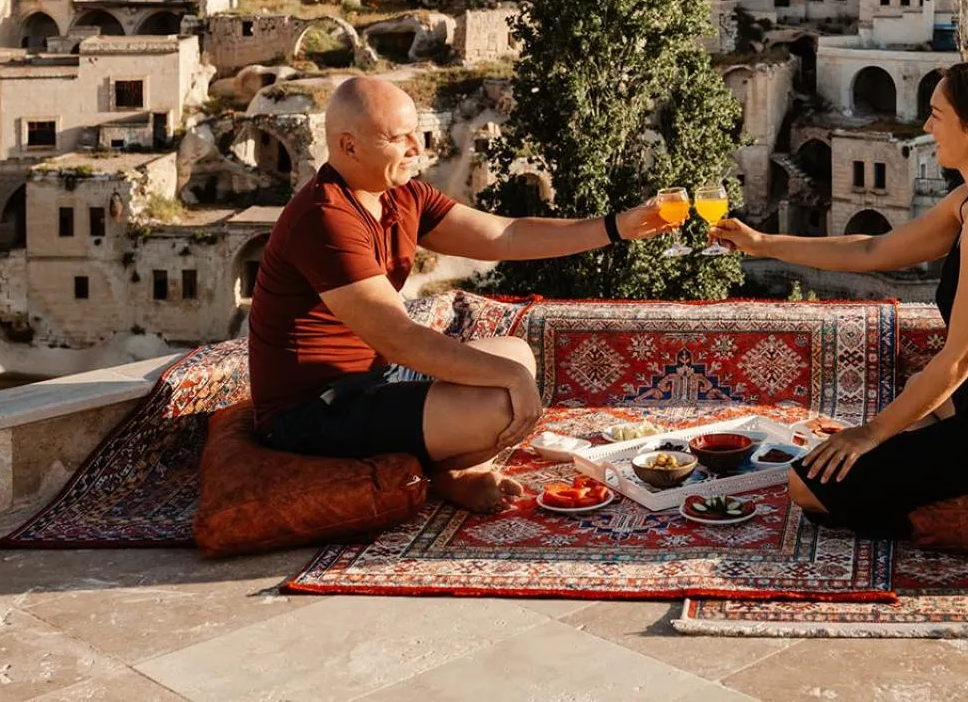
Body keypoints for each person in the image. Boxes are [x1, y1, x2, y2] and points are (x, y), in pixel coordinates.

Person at [710, 61, 968, 538]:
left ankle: (966, 515)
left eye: (937, 114)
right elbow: (875, 249)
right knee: (923, 387)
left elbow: (963, 357)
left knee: (805, 484)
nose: (926, 126)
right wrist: (762, 243)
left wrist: (870, 433)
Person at [249, 76, 675, 514]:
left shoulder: (402, 195)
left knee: (514, 353)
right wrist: (511, 381)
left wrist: (616, 227)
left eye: (417, 132)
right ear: (349, 147)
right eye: (400, 139)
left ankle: (456, 468)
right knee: (500, 400)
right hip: (314, 410)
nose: (418, 147)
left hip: (376, 380)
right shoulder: (325, 218)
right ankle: (446, 468)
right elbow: (399, 338)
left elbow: (504, 235)